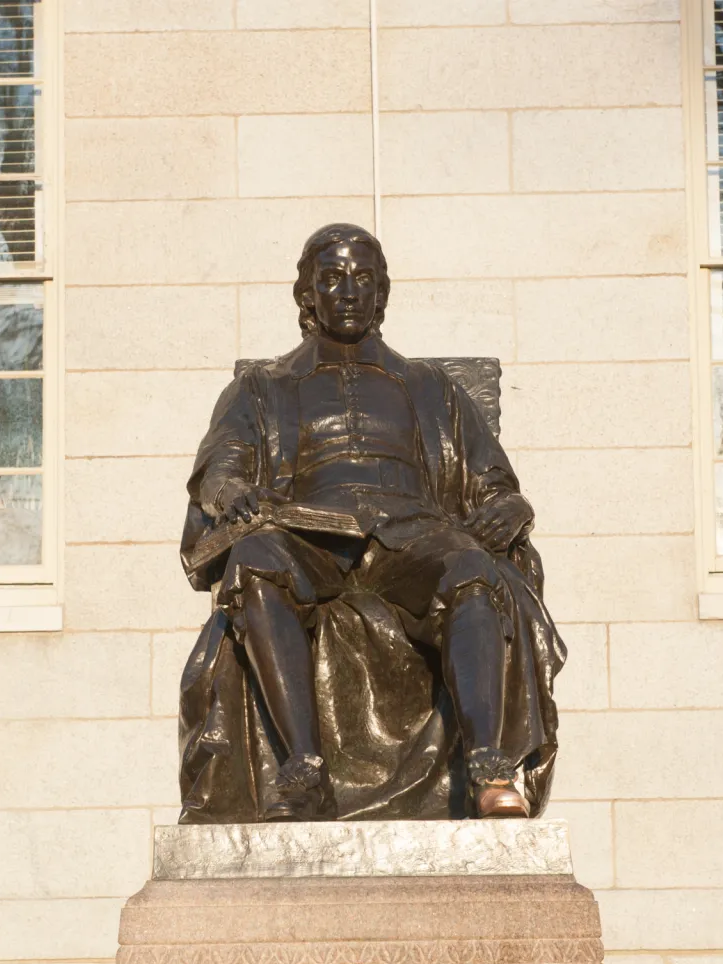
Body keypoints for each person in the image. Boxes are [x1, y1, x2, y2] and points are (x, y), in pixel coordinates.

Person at [177, 223, 565, 822]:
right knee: (254, 562)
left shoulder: (433, 387)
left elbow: (492, 482)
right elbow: (221, 463)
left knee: (472, 570)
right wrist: (228, 487)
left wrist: (512, 505)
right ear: (307, 294)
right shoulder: (262, 386)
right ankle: (302, 770)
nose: (349, 290)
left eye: (364, 278)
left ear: (382, 293)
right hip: (309, 534)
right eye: (332, 278)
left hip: (415, 535)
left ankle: (490, 771)